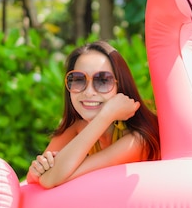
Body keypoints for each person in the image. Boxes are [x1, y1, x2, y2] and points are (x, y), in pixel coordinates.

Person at [26, 41, 160, 188]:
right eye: (77, 79)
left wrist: (107, 114)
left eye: (103, 81)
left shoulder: (139, 139)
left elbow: (50, 179)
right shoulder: (77, 127)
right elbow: (33, 179)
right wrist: (36, 170)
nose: (89, 92)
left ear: (120, 86)